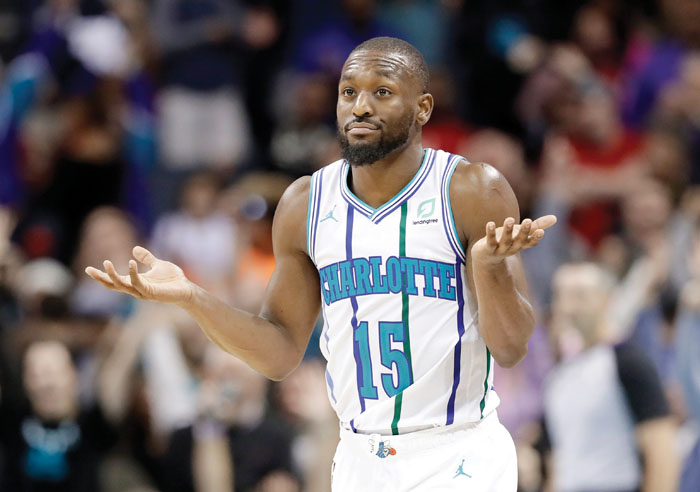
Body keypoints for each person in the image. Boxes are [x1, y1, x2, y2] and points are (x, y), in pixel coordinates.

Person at [86, 37, 556, 491]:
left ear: (423, 108)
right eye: (348, 92)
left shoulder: (471, 190)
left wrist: (490, 268)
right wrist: (193, 297)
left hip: (457, 451)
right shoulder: (304, 205)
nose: (360, 107)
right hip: (359, 458)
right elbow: (278, 352)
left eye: (382, 92)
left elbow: (511, 347)